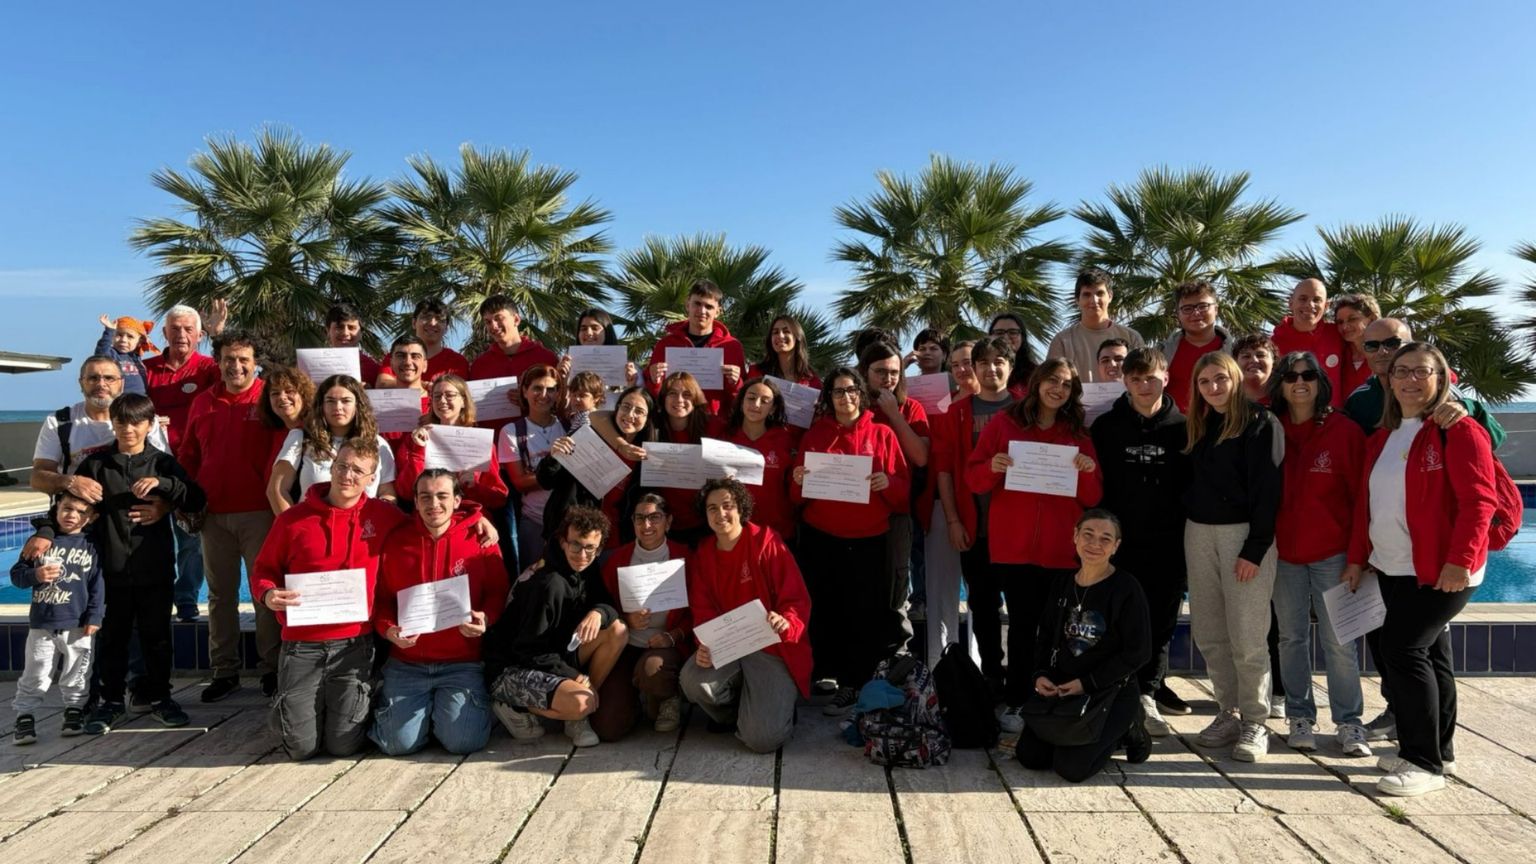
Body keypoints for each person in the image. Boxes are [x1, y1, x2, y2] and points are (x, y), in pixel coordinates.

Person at [1344, 342, 1498, 796]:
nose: (1411, 380)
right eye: (1402, 371)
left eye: (1422, 371)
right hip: (1393, 566)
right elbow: (1365, 507)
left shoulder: (1458, 429)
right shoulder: (1384, 437)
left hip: (1441, 568)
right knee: (1430, 656)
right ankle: (1438, 749)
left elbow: (1479, 501)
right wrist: (1359, 559)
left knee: (1402, 651)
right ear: (1389, 381)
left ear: (1441, 377)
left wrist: (1460, 560)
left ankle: (1422, 762)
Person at [964, 358, 1102, 732]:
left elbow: (1093, 497)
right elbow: (974, 480)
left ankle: (1054, 699)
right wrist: (993, 465)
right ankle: (1017, 699)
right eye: (1052, 381)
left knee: (1057, 629)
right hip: (1014, 546)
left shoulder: (1078, 432)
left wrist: (1087, 472)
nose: (1058, 389)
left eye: (1067, 385)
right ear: (1038, 382)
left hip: (1061, 548)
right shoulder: (1004, 424)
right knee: (1023, 626)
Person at [252, 437, 408, 760]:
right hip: (301, 645)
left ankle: (357, 694)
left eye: (357, 470)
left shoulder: (383, 516)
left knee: (342, 747)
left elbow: (429, 524)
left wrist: (477, 521)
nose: (347, 475)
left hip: (354, 644)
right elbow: (263, 570)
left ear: (371, 479)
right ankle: (291, 701)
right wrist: (267, 595)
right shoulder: (292, 520)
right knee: (300, 748)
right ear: (332, 467)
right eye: (342, 466)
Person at [78, 393, 207, 734]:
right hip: (110, 570)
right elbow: (68, 509)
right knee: (113, 638)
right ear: (113, 423)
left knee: (157, 636)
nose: (128, 428)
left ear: (150, 425)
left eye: (136, 421)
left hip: (154, 567)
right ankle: (111, 702)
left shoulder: (163, 463)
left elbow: (196, 498)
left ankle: (161, 698)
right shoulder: (96, 465)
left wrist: (165, 489)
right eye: (121, 421)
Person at [1268, 351, 1371, 757]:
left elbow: (1363, 499)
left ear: (1320, 382)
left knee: (1340, 642)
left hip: (1333, 554)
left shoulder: (1344, 432)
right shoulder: (1269, 427)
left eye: (1308, 375)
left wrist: (1357, 557)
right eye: (1291, 376)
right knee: (1290, 639)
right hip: (1284, 555)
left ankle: (1349, 723)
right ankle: (1300, 715)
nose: (1300, 382)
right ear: (1280, 383)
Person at [791, 366, 910, 715]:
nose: (846, 397)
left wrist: (889, 484)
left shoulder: (883, 434)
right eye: (838, 392)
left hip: (869, 540)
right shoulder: (815, 435)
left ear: (861, 393)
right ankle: (826, 674)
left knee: (864, 614)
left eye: (851, 390)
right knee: (824, 608)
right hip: (821, 537)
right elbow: (796, 497)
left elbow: (903, 496)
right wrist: (798, 479)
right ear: (829, 398)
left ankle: (856, 683)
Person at [1182, 352, 1283, 762]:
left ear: (1236, 378)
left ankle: (1256, 721)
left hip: (1243, 535)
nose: (1214, 388)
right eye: (1205, 382)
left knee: (1247, 634)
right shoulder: (1200, 425)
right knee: (1209, 631)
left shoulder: (1261, 424)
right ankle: (1229, 711)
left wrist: (1255, 549)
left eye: (1220, 379)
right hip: (1198, 533)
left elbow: (1269, 490)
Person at [1090, 347, 1193, 736]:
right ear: (1125, 381)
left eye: (1151, 378)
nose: (1144, 385)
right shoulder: (1105, 427)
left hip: (1169, 543)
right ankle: (1120, 689)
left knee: (1161, 622)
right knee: (1119, 619)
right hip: (1120, 543)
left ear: (1165, 377)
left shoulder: (1185, 427)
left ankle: (1148, 693)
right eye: (1136, 379)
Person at [370, 470, 509, 756]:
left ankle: (452, 714)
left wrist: (486, 619)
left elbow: (498, 592)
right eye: (425, 497)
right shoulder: (396, 541)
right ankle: (421, 715)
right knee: (396, 745)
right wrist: (388, 631)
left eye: (442, 496)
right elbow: (382, 601)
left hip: (462, 663)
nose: (434, 504)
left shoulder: (480, 540)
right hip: (407, 663)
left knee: (463, 743)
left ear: (458, 500)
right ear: (416, 503)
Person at [179, 330, 285, 702]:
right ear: (218, 361)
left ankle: (272, 669)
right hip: (213, 515)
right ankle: (224, 670)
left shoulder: (269, 401)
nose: (236, 366)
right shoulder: (203, 403)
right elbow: (189, 454)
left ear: (255, 362)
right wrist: (186, 497)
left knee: (264, 594)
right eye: (229, 359)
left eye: (243, 359)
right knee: (220, 595)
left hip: (259, 513)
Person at [1017, 509, 1152, 782]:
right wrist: (1040, 675)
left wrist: (1087, 683)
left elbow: (1138, 652)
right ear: (1075, 537)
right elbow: (1045, 637)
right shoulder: (1062, 583)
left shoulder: (1126, 587)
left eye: (1105, 539)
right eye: (1088, 535)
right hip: (1063, 689)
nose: (1095, 544)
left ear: (1116, 547)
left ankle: (1129, 727)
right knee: (1032, 758)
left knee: (1072, 769)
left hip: (1109, 691)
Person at [681, 478, 811, 753]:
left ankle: (776, 711)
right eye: (712, 508)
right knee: (692, 680)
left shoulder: (766, 541)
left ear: (741, 508)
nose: (720, 514)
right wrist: (702, 646)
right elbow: (702, 609)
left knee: (762, 741)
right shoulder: (703, 554)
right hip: (728, 647)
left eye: (727, 506)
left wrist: (786, 620)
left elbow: (796, 598)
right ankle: (736, 715)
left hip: (770, 647)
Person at [484, 506, 629, 748]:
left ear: (599, 547)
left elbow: (609, 604)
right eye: (576, 545)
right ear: (563, 542)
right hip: (513, 666)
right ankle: (514, 706)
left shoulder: (587, 567)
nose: (582, 554)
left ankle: (573, 711)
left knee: (617, 630)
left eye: (590, 548)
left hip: (555, 653)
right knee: (583, 703)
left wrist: (598, 612)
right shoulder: (548, 583)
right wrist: (573, 675)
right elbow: (529, 651)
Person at [933, 336, 1015, 669]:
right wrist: (953, 520)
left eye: (999, 362)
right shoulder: (956, 413)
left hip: (1018, 531)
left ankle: (1026, 680)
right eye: (983, 363)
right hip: (974, 527)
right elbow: (944, 472)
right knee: (982, 606)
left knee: (1026, 609)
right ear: (974, 369)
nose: (991, 368)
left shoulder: (1028, 408)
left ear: (1011, 366)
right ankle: (992, 674)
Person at [143, 302, 226, 622]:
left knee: (192, 541)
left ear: (199, 335)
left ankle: (187, 599)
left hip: (194, 469)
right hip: (152, 467)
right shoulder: (145, 369)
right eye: (175, 328)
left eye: (188, 329)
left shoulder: (208, 369)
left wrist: (219, 335)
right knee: (152, 538)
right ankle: (156, 599)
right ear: (164, 333)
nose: (181, 334)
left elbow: (235, 382)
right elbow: (128, 406)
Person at [591, 494, 693, 739]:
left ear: (668, 522)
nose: (646, 525)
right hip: (626, 646)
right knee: (608, 728)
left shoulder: (686, 557)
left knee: (652, 670)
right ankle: (634, 702)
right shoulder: (616, 560)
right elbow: (602, 606)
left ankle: (666, 697)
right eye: (640, 518)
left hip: (665, 645)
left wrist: (673, 636)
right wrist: (625, 619)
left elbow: (699, 611)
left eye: (654, 517)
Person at [9, 492, 103, 744]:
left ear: (92, 517)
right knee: (36, 671)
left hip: (78, 623)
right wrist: (36, 575)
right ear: (56, 509)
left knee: (78, 670)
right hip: (43, 622)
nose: (72, 515)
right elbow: (17, 575)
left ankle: (74, 711)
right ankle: (24, 715)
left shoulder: (92, 546)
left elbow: (97, 585)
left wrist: (95, 615)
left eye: (80, 512)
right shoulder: (40, 543)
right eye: (67, 508)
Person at [858, 340, 929, 643]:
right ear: (864, 372)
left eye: (894, 373)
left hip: (897, 512)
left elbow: (921, 457)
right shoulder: (853, 405)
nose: (888, 379)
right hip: (855, 512)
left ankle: (895, 653)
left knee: (896, 587)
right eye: (880, 372)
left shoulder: (911, 407)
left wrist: (895, 415)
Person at [537, 386, 660, 553]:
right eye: (625, 407)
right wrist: (553, 457)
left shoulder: (646, 456)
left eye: (639, 411)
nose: (630, 415)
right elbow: (546, 480)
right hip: (571, 540)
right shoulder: (589, 437)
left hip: (615, 543)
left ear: (648, 418)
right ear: (616, 409)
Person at [268, 374, 398, 513]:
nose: (338, 407)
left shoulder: (377, 444)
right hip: (312, 528)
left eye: (346, 401)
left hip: (361, 530)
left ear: (358, 405)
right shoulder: (301, 438)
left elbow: (387, 492)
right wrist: (292, 528)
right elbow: (277, 490)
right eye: (330, 401)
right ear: (321, 405)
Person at [393, 375, 509, 515]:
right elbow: (405, 492)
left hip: (469, 519)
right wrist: (418, 451)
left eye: (449, 395)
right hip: (428, 519)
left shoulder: (480, 441)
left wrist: (474, 487)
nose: (442, 401)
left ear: (464, 401)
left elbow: (499, 498)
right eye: (436, 396)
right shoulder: (416, 439)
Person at [497, 364, 568, 569]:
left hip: (567, 520)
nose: (543, 395)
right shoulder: (511, 431)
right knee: (533, 581)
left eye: (551, 389)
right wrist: (558, 473)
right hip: (534, 521)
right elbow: (520, 482)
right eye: (537, 388)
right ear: (525, 391)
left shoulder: (568, 426)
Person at [646, 279, 748, 414]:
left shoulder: (732, 346)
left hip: (714, 425)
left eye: (709, 307)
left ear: (718, 311)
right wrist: (655, 381)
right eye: (697, 304)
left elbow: (742, 398)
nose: (702, 310)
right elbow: (652, 396)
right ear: (688, 304)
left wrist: (736, 383)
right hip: (674, 424)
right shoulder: (665, 345)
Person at [469, 295, 560, 430]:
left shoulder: (546, 358)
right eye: (488, 322)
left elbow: (559, 403)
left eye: (499, 318)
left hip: (538, 442)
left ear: (516, 319)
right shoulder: (479, 365)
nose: (493, 326)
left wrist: (528, 399)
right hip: (493, 444)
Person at [724, 378, 797, 541]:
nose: (756, 404)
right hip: (733, 531)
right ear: (741, 401)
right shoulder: (724, 438)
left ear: (773, 409)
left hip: (776, 533)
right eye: (751, 398)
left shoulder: (785, 440)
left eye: (765, 401)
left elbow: (793, 488)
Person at [1046, 267, 1145, 382]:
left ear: (1110, 296)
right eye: (1087, 295)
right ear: (1077, 300)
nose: (1094, 300)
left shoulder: (1132, 337)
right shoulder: (1062, 341)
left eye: (1100, 293)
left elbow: (1142, 379)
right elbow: (1052, 382)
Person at [1271, 279, 1346, 407]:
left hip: (1333, 421)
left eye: (1317, 300)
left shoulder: (1339, 334)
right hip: (1290, 422)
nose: (1310, 305)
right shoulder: (1273, 344)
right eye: (1303, 299)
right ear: (1290, 303)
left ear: (1326, 306)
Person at [1162, 281, 1232, 411]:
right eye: (1187, 308)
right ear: (1178, 314)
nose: (1196, 313)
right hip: (1173, 428)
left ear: (1216, 309)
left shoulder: (1237, 353)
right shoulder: (1161, 353)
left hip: (1223, 427)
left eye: (1203, 306)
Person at [556, 307, 638, 389]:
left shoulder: (628, 369)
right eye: (583, 329)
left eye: (595, 328)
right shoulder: (567, 367)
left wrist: (631, 385)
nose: (589, 333)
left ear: (606, 331)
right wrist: (561, 380)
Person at [748, 314, 822, 388]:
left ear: (797, 337)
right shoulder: (756, 372)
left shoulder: (812, 379)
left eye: (786, 331)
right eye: (775, 332)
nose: (780, 336)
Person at [1331, 293, 1381, 401]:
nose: (1344, 327)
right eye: (1340, 322)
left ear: (1371, 319)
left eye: (1352, 319)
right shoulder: (1338, 353)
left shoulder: (1384, 354)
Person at [94, 314, 158, 395]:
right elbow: (101, 353)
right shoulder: (112, 354)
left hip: (140, 402)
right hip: (120, 401)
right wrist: (109, 331)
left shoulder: (136, 357)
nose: (123, 340)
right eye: (119, 335)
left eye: (130, 336)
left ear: (139, 341)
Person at [324, 302, 383, 386]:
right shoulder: (312, 366)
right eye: (339, 327)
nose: (345, 333)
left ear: (361, 333)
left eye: (351, 328)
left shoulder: (373, 369)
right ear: (328, 330)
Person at [989, 312, 1037, 391]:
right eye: (999, 333)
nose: (1006, 337)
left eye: (1013, 332)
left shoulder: (1035, 373)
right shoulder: (979, 369)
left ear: (1022, 337)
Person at [1232, 334, 1277, 404]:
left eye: (1261, 355)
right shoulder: (1225, 401)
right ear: (1235, 363)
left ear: (1273, 361)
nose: (1254, 360)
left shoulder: (1287, 400)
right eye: (1246, 356)